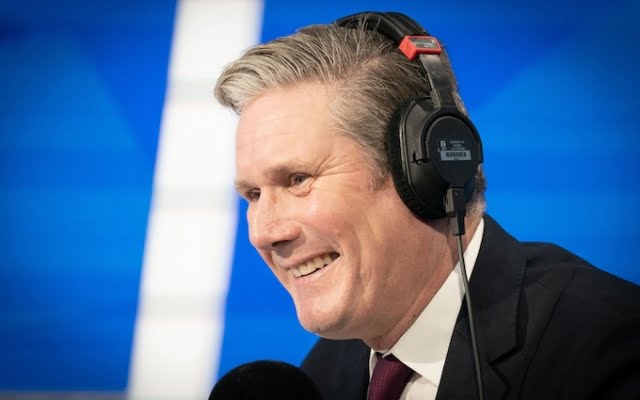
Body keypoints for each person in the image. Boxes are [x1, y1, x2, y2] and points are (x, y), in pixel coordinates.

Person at [214, 11, 640, 400]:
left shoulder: (606, 346)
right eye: (253, 195)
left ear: (423, 167)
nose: (264, 232)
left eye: (298, 180)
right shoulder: (323, 375)